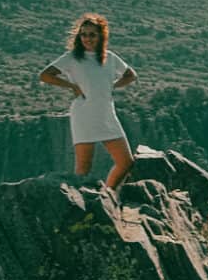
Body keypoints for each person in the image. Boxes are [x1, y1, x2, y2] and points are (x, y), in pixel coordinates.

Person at [40, 12, 137, 188]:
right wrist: (72, 86)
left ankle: (108, 195)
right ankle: (78, 206)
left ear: (101, 35)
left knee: (126, 162)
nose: (87, 38)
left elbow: (131, 75)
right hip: (84, 115)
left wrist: (112, 85)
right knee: (84, 167)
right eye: (83, 34)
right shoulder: (72, 58)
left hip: (107, 115)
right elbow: (46, 75)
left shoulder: (110, 57)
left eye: (92, 34)